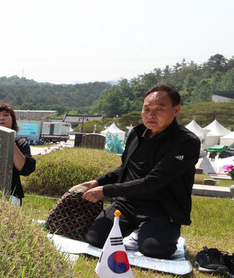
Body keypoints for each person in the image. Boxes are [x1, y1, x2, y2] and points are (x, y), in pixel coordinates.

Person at [80, 83, 200, 258]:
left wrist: (106, 190)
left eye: (160, 109)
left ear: (176, 110)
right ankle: (136, 230)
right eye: (147, 109)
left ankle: (148, 232)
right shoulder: (137, 133)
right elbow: (127, 167)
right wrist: (98, 181)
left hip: (162, 207)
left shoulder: (186, 141)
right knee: (95, 238)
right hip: (126, 204)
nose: (151, 115)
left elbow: (154, 181)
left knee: (154, 250)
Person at [0, 103, 35, 205]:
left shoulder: (20, 143)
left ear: (13, 120)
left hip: (11, 194)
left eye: (6, 115)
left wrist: (9, 139)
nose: (2, 118)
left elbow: (25, 170)